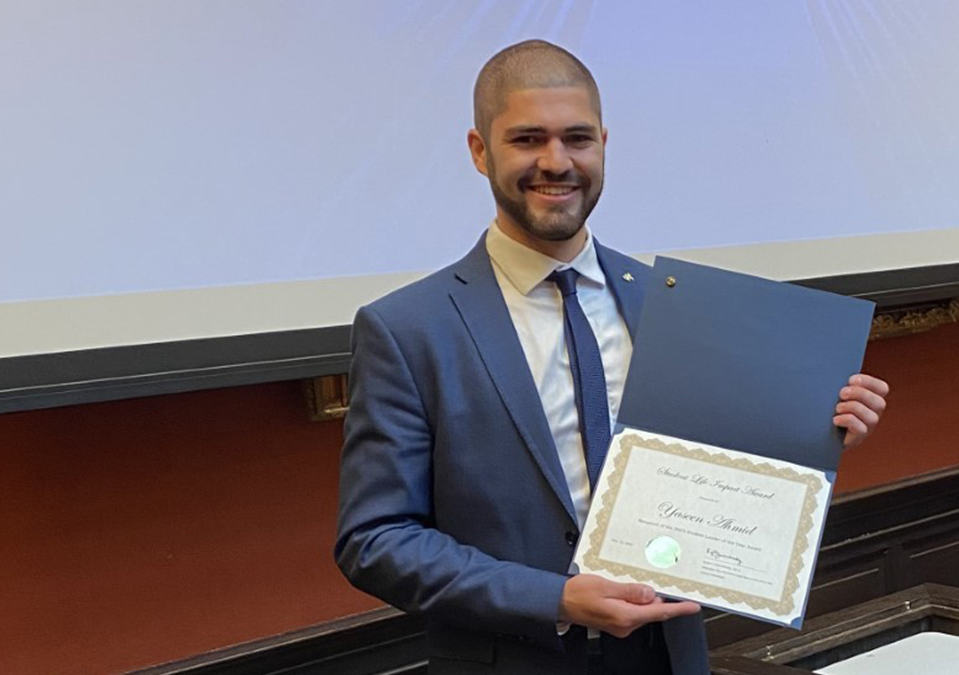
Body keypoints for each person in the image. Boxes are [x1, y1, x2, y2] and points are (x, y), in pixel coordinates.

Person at [335, 39, 890, 675]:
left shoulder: (669, 304)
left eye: (577, 138)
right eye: (527, 140)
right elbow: (374, 541)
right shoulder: (408, 329)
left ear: (603, 142)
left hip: (668, 656)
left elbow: (720, 468)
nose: (557, 161)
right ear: (479, 151)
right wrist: (554, 598)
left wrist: (814, 430)